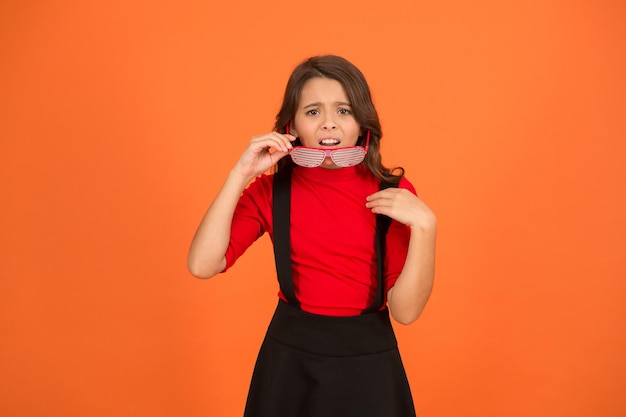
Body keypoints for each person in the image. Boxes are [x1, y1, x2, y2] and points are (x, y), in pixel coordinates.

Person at [188, 55, 437, 417]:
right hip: (290, 361)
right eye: (313, 112)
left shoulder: (395, 194)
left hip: (369, 364)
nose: (329, 124)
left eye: (344, 111)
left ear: (362, 123)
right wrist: (240, 174)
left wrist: (426, 229)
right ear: (292, 126)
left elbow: (406, 312)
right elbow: (202, 265)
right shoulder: (270, 192)